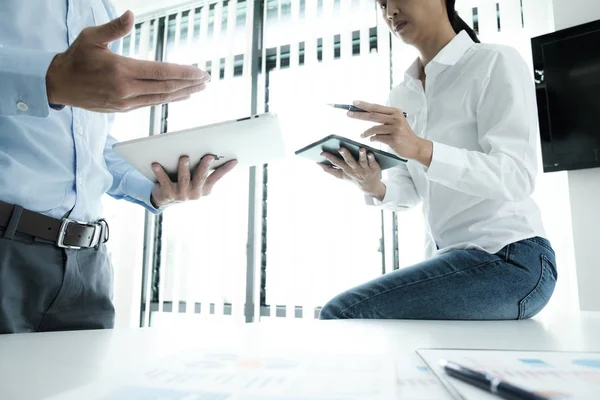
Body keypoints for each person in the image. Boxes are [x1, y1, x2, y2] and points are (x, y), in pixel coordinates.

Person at [0, 2, 237, 334]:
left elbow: (89, 140)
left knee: (84, 387)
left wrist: (155, 185)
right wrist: (49, 78)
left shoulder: (101, 7)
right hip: (5, 244)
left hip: (88, 262)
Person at [317, 0, 557, 320]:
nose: (390, 12)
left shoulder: (494, 61)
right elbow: (412, 188)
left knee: (341, 313)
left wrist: (421, 148)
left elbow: (516, 176)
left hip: (512, 259)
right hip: (452, 261)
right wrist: (372, 185)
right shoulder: (403, 95)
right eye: (382, 4)